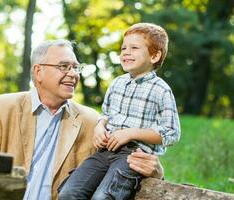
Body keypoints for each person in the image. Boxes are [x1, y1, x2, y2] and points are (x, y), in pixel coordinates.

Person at [0, 39, 164, 200]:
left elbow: (121, 159)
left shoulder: (92, 121)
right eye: (64, 66)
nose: (73, 74)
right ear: (38, 71)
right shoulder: (2, 107)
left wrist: (155, 171)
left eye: (75, 67)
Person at [58, 23, 181, 200]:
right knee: (68, 193)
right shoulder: (117, 84)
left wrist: (130, 133)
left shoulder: (160, 90)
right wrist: (100, 126)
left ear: (154, 55)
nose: (126, 52)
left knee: (103, 197)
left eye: (134, 48)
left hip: (133, 156)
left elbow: (171, 133)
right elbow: (106, 115)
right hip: (104, 151)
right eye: (123, 48)